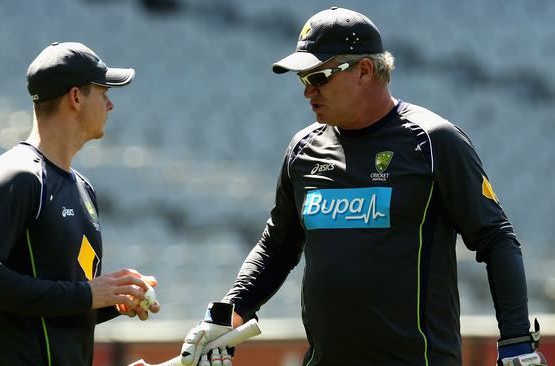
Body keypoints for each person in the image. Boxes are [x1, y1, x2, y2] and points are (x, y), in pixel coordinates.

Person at [179, 7, 547, 366]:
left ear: (365, 70)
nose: (308, 91)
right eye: (302, 79)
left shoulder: (433, 142)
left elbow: (495, 238)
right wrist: (227, 313)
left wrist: (515, 339)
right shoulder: (303, 150)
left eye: (318, 77)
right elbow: (276, 247)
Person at [0, 42, 160, 366]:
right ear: (76, 97)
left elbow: (55, 305)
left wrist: (112, 299)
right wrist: (91, 294)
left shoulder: (83, 189)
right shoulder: (18, 176)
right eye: (103, 91)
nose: (110, 104)